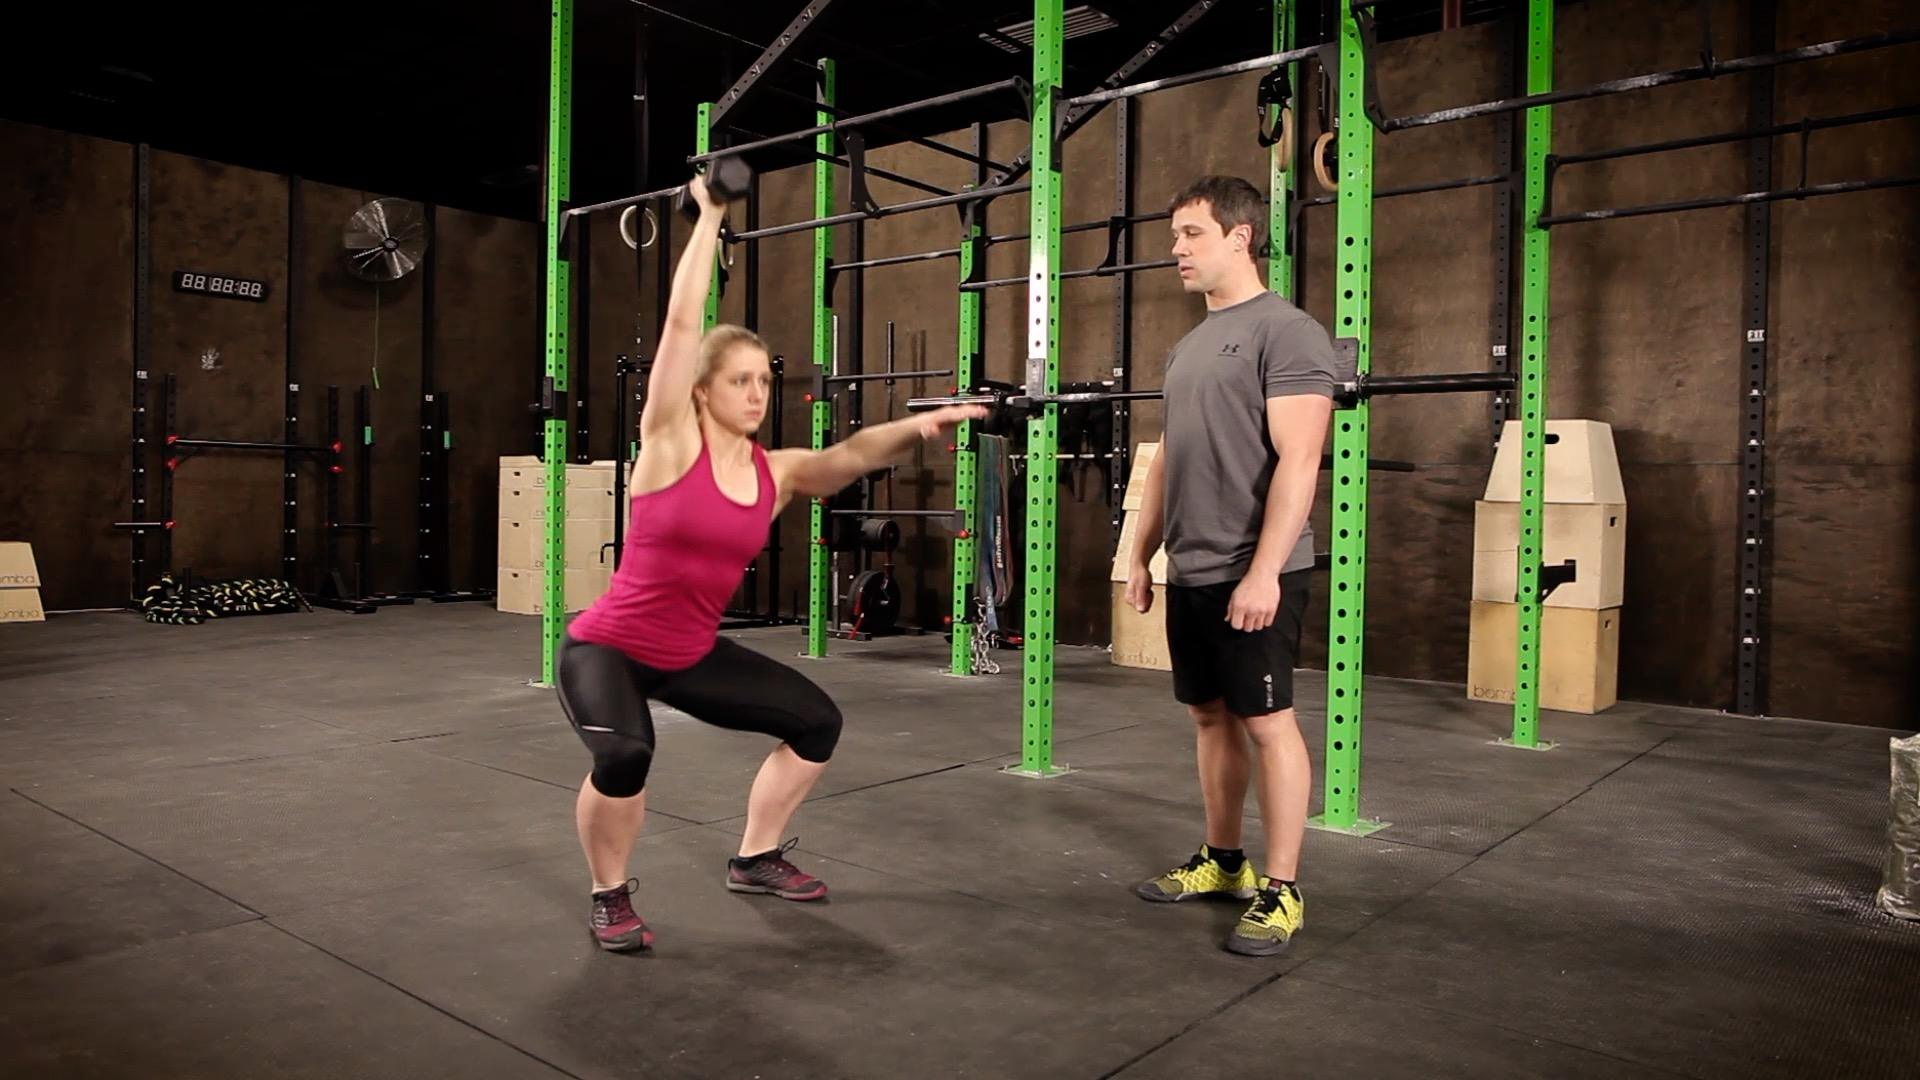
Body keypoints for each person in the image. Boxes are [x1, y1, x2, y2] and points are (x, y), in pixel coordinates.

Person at [557, 174, 984, 952]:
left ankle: (754, 856)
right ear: (703, 388)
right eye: (740, 381)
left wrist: (925, 427)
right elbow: (685, 321)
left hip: (689, 653)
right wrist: (710, 217)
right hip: (608, 647)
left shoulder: (775, 471)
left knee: (817, 721)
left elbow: (849, 455)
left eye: (764, 380)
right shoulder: (667, 442)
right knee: (625, 752)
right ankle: (608, 893)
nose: (757, 393)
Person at [1125, 174, 1344, 957]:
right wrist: (1141, 555)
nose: (1174, 250)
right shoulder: (1187, 346)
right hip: (1192, 568)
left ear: (1239, 238)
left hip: (1260, 572)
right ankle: (1223, 862)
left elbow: (1300, 459)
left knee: (1268, 723)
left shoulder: (1288, 333)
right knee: (1209, 716)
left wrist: (1262, 571)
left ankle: (1282, 891)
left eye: (1189, 235)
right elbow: (1165, 462)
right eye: (1175, 236)